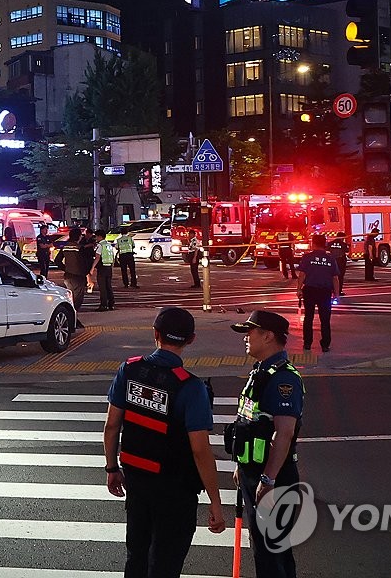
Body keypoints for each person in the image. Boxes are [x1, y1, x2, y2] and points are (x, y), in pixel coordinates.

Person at [103, 307, 226, 578]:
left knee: (136, 557)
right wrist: (215, 502)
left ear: (155, 334)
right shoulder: (190, 388)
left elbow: (112, 426)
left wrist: (112, 469)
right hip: (175, 491)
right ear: (191, 340)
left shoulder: (129, 369)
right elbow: (200, 450)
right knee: (165, 563)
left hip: (137, 482)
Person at [228, 310, 304, 578]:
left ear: (268, 336)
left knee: (271, 555)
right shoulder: (261, 372)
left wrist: (268, 479)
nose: (246, 338)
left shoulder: (283, 378)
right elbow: (250, 423)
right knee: (266, 550)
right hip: (255, 473)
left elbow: (283, 434)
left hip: (274, 478)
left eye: (251, 332)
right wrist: (242, 465)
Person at [295, 233, 340, 353]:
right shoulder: (330, 259)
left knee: (308, 317)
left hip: (309, 290)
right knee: (325, 319)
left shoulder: (307, 257)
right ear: (324, 244)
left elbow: (302, 274)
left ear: (313, 243)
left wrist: (299, 289)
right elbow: (335, 277)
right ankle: (325, 344)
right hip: (325, 292)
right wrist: (336, 293)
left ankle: (307, 343)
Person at [55, 229, 88, 320]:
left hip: (68, 275)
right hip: (78, 276)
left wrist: (65, 268)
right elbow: (84, 263)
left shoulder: (65, 247)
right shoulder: (79, 248)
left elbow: (57, 260)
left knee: (71, 297)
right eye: (81, 235)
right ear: (78, 236)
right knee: (77, 299)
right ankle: (73, 319)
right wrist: (87, 275)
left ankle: (72, 318)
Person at [93, 230, 117, 311]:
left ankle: (103, 305)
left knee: (102, 287)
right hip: (109, 267)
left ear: (100, 236)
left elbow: (97, 257)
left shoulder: (100, 245)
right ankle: (111, 304)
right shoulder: (109, 245)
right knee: (108, 286)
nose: (96, 238)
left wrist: (92, 268)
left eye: (96, 236)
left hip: (102, 268)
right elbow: (112, 256)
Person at [326, 232, 349, 296]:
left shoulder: (330, 243)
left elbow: (327, 251)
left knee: (331, 276)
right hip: (341, 262)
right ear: (342, 237)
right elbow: (347, 252)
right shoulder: (343, 244)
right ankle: (338, 291)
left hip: (331, 261)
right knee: (340, 277)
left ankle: (331, 289)